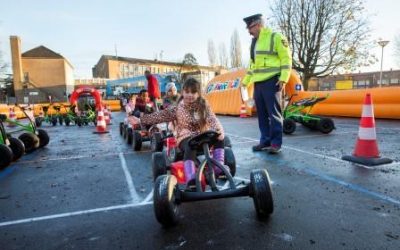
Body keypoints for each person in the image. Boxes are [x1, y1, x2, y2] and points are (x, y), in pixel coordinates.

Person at [133, 78, 225, 187]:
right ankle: (191, 177)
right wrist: (143, 119)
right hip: (185, 138)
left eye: (193, 92)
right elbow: (160, 115)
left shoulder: (204, 106)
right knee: (192, 144)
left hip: (203, 135)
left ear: (199, 94)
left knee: (220, 138)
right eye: (187, 92)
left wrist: (218, 130)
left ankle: (219, 168)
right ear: (183, 92)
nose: (190, 95)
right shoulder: (178, 108)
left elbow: (212, 118)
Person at [242, 14, 292, 154]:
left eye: (250, 27)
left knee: (274, 114)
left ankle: (276, 143)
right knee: (262, 114)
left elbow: (286, 58)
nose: (248, 31)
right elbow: (253, 66)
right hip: (258, 83)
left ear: (258, 25)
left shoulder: (275, 37)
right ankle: (265, 141)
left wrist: (283, 78)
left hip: (272, 81)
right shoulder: (254, 43)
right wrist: (245, 82)